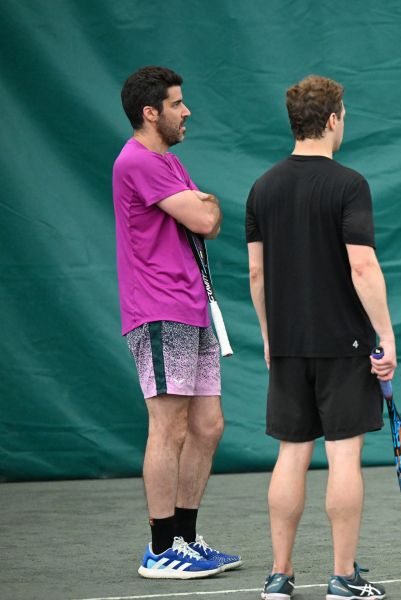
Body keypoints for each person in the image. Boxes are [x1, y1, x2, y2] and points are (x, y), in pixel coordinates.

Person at [247, 75, 395, 600]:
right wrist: (386, 334)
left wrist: (270, 335)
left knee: (290, 454)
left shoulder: (262, 188)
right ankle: (343, 578)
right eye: (344, 115)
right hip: (344, 346)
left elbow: (256, 274)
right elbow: (363, 266)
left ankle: (279, 576)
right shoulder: (349, 184)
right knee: (343, 457)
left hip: (288, 346)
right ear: (332, 120)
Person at [113, 65, 241, 579]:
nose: (186, 111)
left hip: (193, 308)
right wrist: (203, 204)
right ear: (151, 112)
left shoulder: (169, 162)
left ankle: (185, 539)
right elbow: (207, 217)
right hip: (159, 311)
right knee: (168, 426)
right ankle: (160, 548)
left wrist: (203, 206)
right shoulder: (138, 161)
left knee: (207, 426)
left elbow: (206, 221)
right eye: (177, 104)